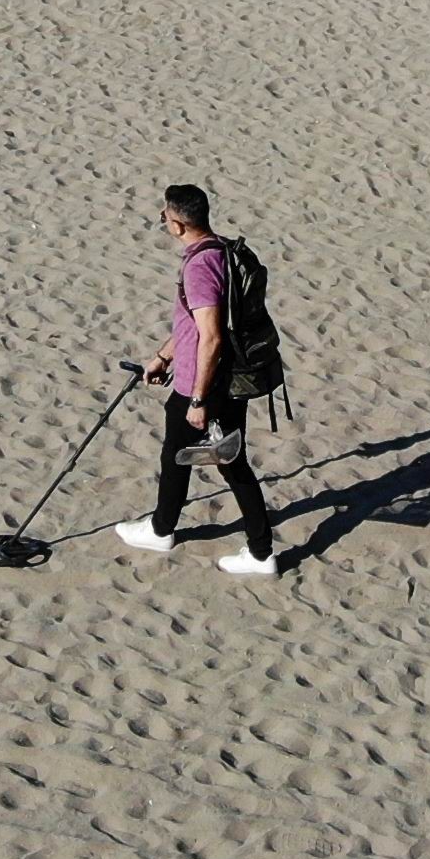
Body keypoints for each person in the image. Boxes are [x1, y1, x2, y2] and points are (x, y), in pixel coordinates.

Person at [119, 184, 278, 577]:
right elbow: (195, 324)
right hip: (222, 378)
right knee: (199, 458)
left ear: (177, 225)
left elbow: (211, 335)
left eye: (164, 218)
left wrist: (198, 400)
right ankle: (167, 528)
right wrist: (161, 356)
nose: (164, 223)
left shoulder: (199, 267)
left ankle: (254, 552)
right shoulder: (221, 249)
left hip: (205, 384)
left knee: (221, 462)